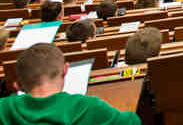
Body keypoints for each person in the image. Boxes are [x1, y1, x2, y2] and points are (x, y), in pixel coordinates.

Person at [0, 43, 140, 123]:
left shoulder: (3, 108)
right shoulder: (89, 107)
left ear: (17, 86)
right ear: (66, 69)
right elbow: (133, 121)